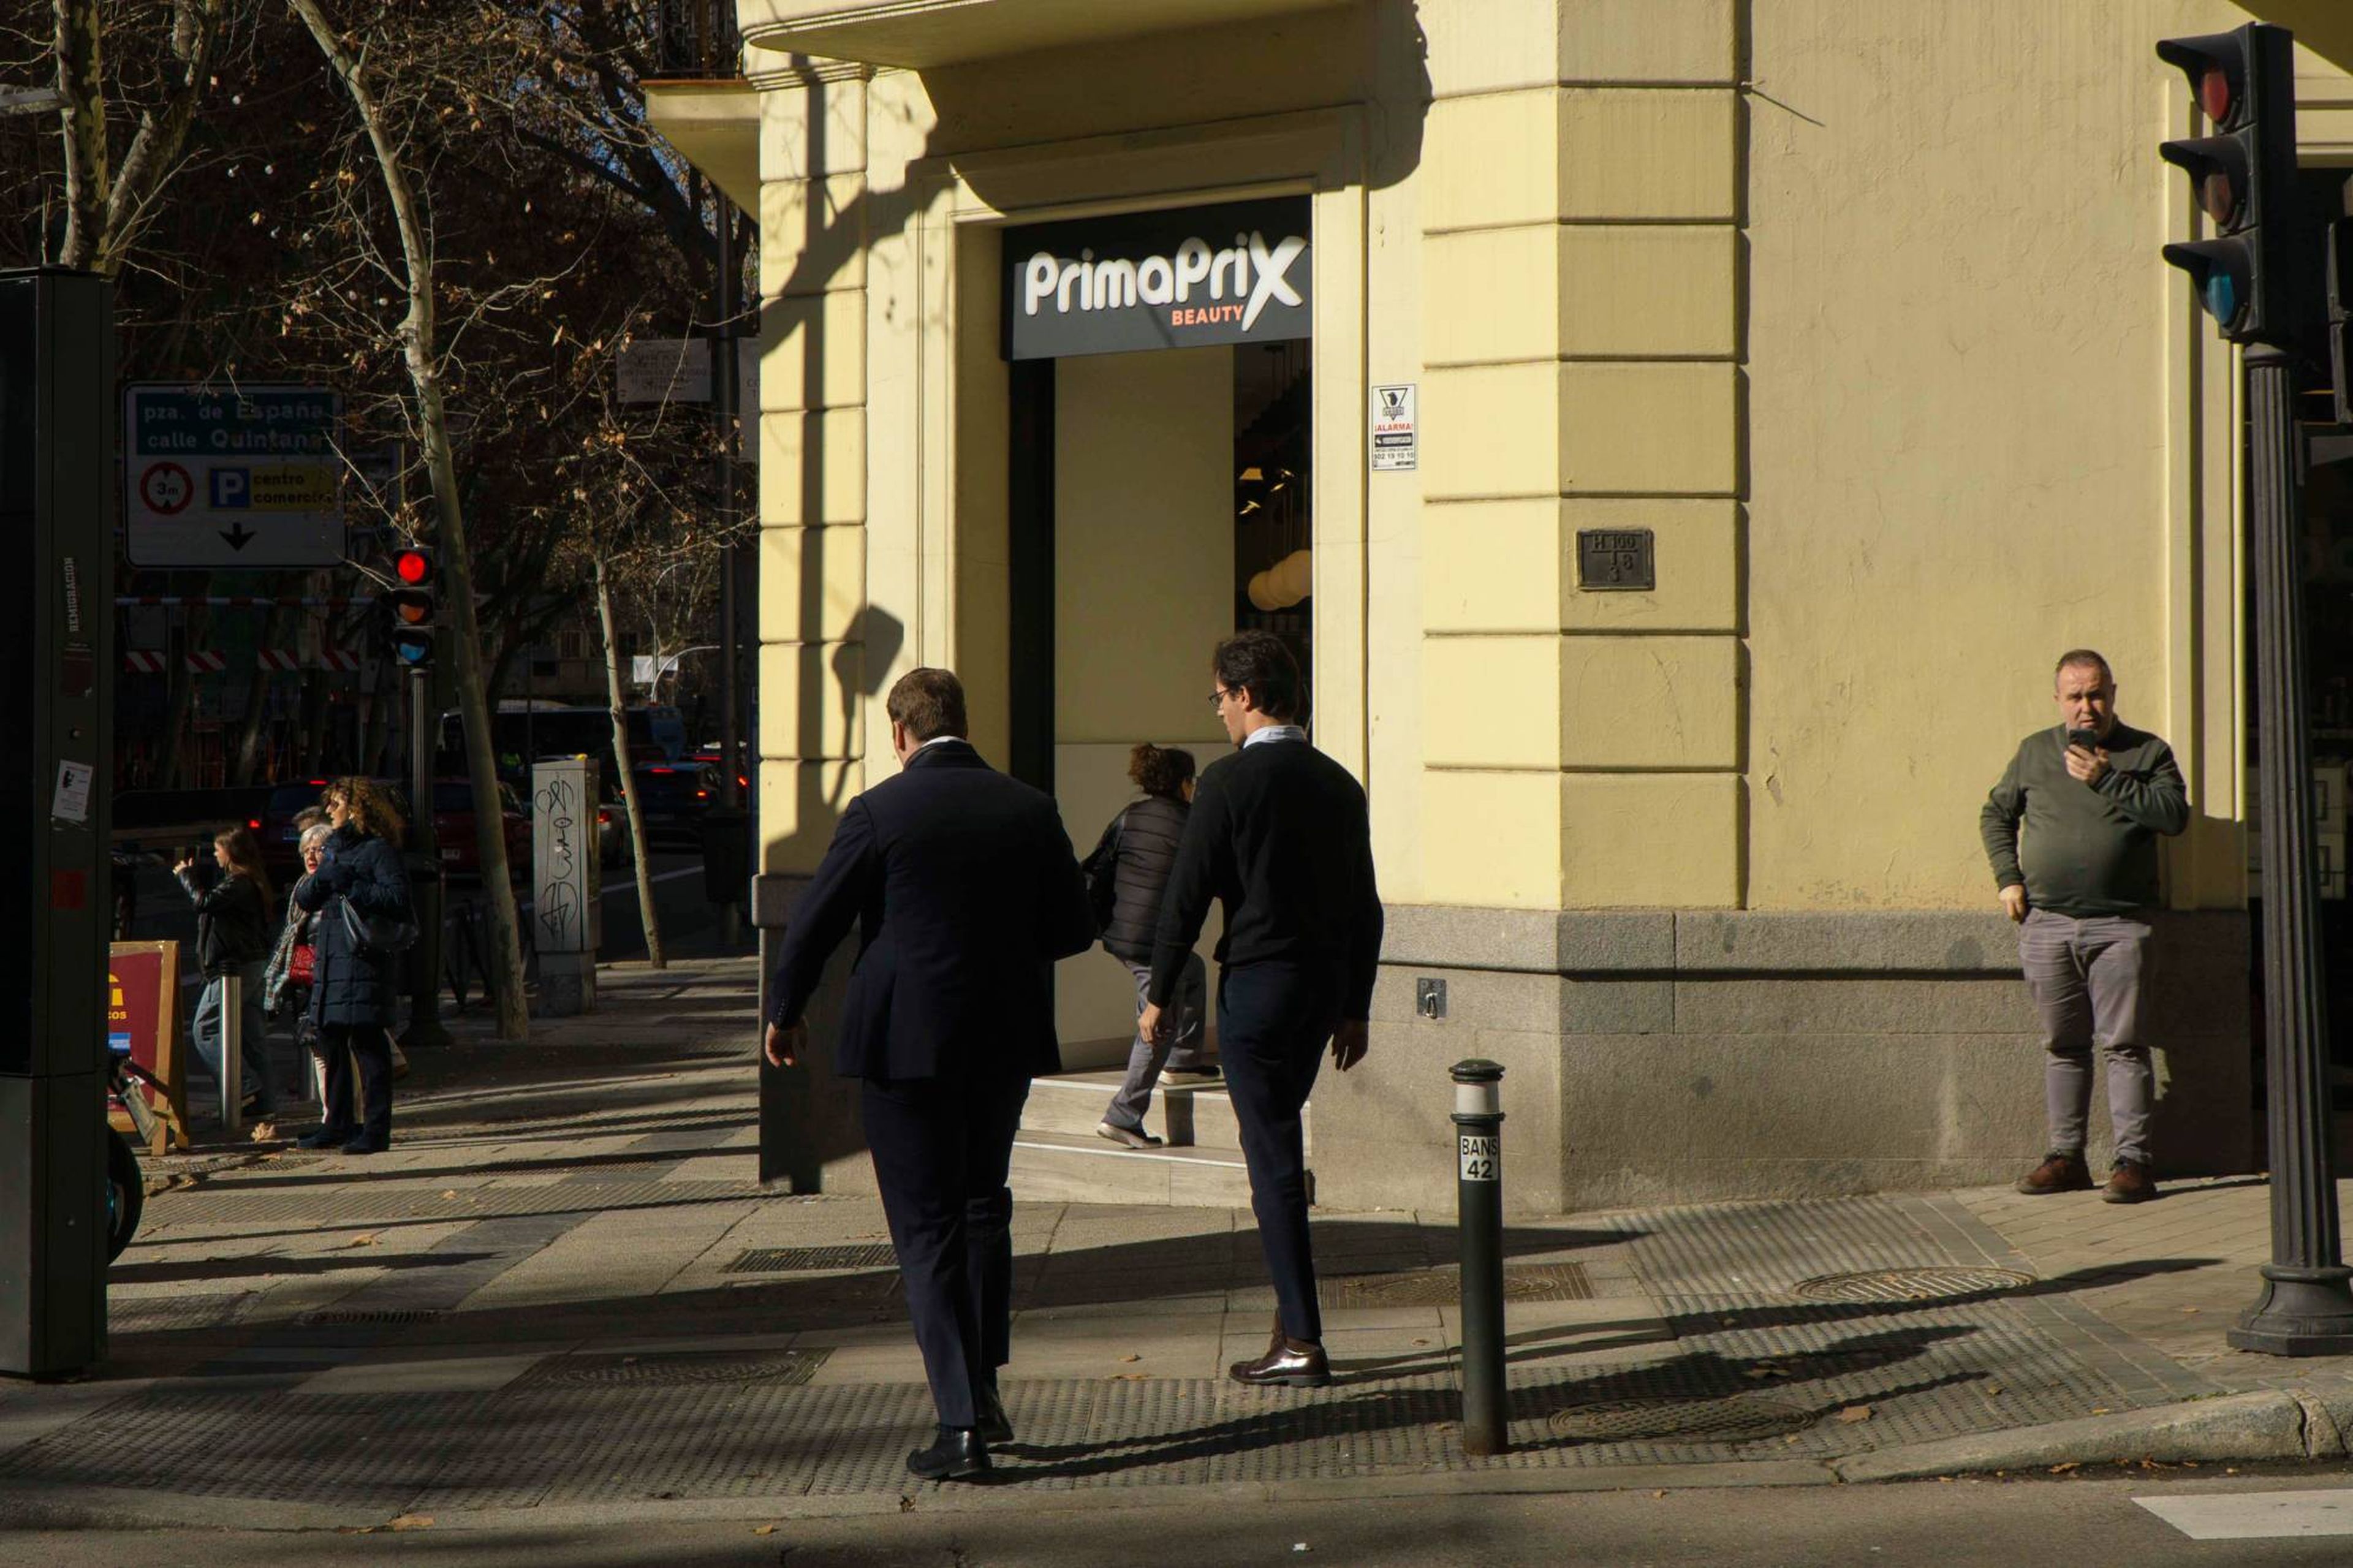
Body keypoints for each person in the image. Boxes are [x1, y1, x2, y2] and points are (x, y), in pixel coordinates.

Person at [762, 668, 1094, 1483]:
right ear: (964, 723)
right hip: (1003, 1036)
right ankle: (983, 1388)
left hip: (903, 1041)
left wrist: (784, 1006)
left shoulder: (881, 809)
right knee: (983, 1208)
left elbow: (816, 921)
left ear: (901, 732)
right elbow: (1072, 926)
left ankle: (961, 1423)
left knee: (924, 1226)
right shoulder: (1029, 805)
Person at [1142, 632, 1384, 1390]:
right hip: (1319, 992)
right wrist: (1355, 1007)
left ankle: (1303, 1342)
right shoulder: (1341, 785)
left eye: (1219, 697)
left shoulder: (1227, 784)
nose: (1217, 712)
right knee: (1278, 1143)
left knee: (1271, 1159)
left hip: (1257, 988)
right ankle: (1290, 1315)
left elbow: (1186, 895)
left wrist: (1156, 992)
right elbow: (1365, 908)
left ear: (1247, 696)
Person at [1980, 649, 2189, 1205]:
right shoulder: (2034, 752)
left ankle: (2133, 1163)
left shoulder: (2146, 751)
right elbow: (1996, 814)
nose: (2086, 707)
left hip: (2120, 924)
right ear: (2059, 700)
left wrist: (2109, 780)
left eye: (2096, 694)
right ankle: (2067, 1156)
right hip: (2047, 923)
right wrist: (2009, 878)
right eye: (2075, 696)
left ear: (2113, 694)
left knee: (2124, 1045)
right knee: (2063, 1044)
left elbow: (2174, 817)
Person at [1085, 743, 1212, 1149]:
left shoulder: (1129, 816)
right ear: (1183, 783)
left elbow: (1096, 866)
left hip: (1123, 936)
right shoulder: (1193, 823)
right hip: (1155, 942)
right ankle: (1123, 1114)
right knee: (1157, 1021)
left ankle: (1182, 1061)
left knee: (1191, 970)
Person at [294, 776, 414, 1154]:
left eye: (337, 804)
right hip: (332, 961)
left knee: (367, 1041)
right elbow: (307, 899)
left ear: (358, 808)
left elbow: (396, 900)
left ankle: (376, 1130)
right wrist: (321, 880)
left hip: (363, 960)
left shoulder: (378, 851)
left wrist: (351, 885)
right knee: (330, 1039)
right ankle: (338, 1123)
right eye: (328, 803)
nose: (330, 810)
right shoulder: (333, 850)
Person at [176, 827, 279, 1119]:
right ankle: (265, 1102)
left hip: (236, 968)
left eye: (218, 849)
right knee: (251, 1035)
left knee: (205, 1028)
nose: (215, 854)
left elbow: (204, 902)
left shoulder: (240, 884)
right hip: (250, 964)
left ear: (231, 852)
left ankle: (245, 1087)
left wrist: (186, 876)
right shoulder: (247, 882)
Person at [265, 823, 335, 1112]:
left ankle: (342, 1115)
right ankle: (331, 1115)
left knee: (335, 1052)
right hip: (305, 982)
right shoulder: (302, 889)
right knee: (319, 1052)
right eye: (306, 850)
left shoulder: (333, 888)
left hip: (328, 979)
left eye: (318, 849)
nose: (311, 856)